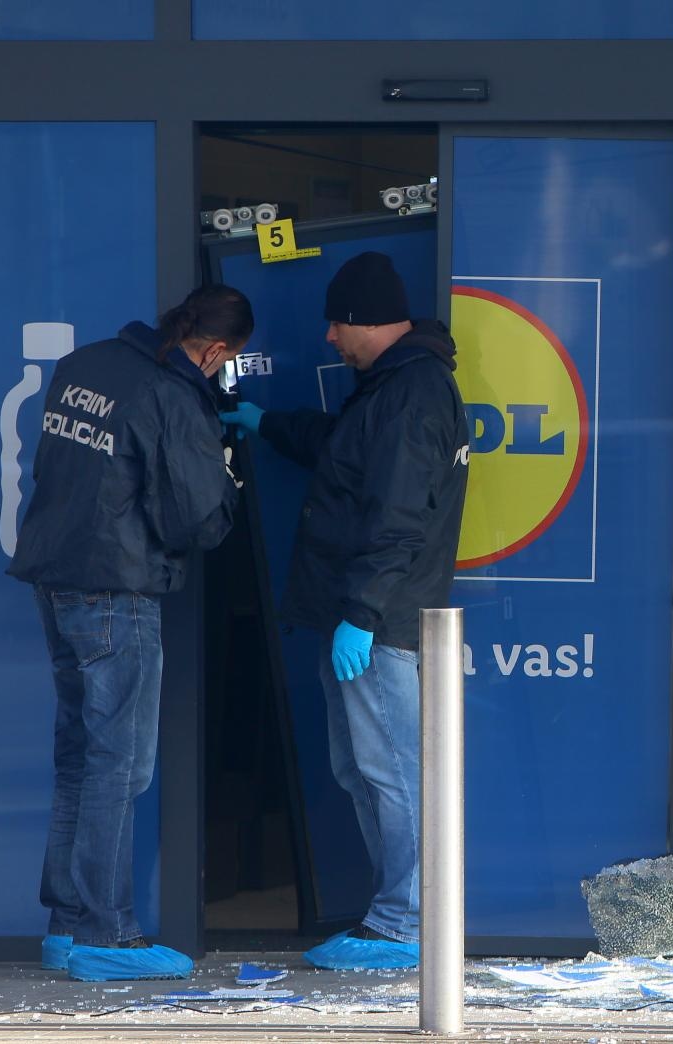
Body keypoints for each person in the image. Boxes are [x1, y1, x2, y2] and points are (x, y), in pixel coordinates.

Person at [220, 251, 469, 970]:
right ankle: (394, 913)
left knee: (394, 773)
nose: (330, 337)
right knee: (363, 769)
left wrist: (361, 613)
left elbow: (396, 518)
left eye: (337, 324)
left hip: (382, 623)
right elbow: (343, 452)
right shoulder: (392, 388)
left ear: (366, 321)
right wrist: (266, 422)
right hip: (364, 616)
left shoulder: (411, 394)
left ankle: (406, 922)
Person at [8, 286, 252, 981]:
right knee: (121, 764)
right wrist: (228, 476)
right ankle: (107, 935)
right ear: (215, 351)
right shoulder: (171, 396)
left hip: (55, 577)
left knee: (81, 756)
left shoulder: (86, 364)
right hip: (117, 588)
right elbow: (196, 520)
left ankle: (66, 926)